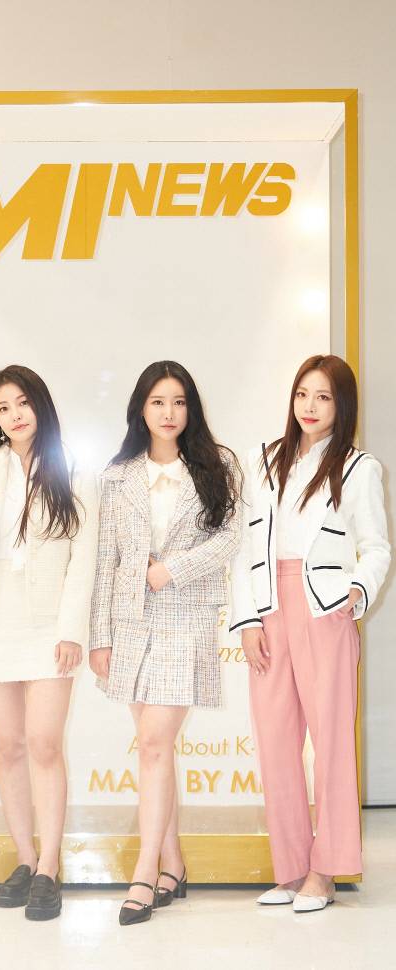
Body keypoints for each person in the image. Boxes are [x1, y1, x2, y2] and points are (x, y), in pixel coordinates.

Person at [0, 364, 98, 921]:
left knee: (44, 744)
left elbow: (84, 558)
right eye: (2, 408)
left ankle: (50, 865)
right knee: (9, 746)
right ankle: (26, 859)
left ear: (40, 404)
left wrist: (72, 629)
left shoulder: (72, 469)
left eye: (22, 402)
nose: (14, 415)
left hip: (50, 620)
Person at [230, 354, 390, 912]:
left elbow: (376, 546)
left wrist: (357, 591)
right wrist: (248, 619)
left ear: (342, 405)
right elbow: (245, 546)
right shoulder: (264, 460)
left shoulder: (358, 467)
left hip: (325, 611)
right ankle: (292, 869)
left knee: (331, 746)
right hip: (270, 605)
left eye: (323, 396)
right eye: (303, 394)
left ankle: (326, 870)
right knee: (275, 744)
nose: (310, 406)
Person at [89, 360, 240, 925]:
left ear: (191, 408)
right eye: (158, 401)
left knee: (154, 745)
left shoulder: (218, 465)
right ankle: (174, 864)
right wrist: (100, 636)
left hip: (185, 618)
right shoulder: (118, 476)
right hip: (129, 624)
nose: (169, 412)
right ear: (141, 409)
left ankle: (144, 871)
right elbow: (105, 561)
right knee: (156, 751)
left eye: (178, 401)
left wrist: (171, 570)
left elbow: (229, 540)